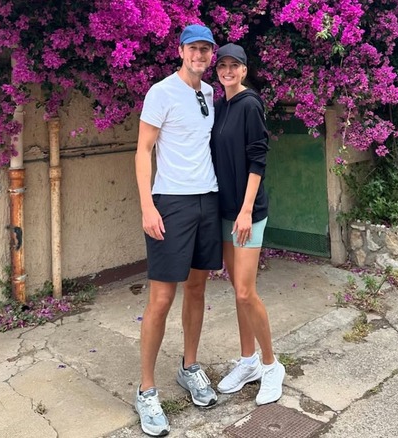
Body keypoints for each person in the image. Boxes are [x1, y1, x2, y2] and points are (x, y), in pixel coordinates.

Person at [133, 24, 222, 437]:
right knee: (162, 297)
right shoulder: (161, 92)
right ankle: (146, 390)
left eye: (206, 49)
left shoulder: (210, 93)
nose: (199, 55)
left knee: (197, 288)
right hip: (171, 203)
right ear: (181, 50)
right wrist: (147, 205)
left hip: (208, 199)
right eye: (193, 48)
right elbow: (143, 150)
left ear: (211, 55)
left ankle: (189, 367)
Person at [209, 43, 285, 405]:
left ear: (244, 70)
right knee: (236, 287)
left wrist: (245, 209)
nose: (227, 71)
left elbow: (258, 159)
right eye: (221, 65)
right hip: (225, 210)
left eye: (233, 65)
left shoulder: (250, 104)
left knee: (244, 291)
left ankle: (271, 366)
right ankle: (248, 361)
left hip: (247, 213)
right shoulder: (220, 106)